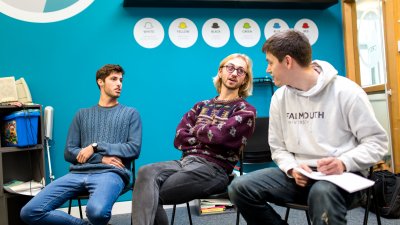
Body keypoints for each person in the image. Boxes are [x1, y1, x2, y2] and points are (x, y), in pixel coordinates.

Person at [228, 30, 388, 225]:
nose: (268, 69)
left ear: (287, 61)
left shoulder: (347, 92)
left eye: (270, 62)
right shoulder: (279, 98)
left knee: (322, 192)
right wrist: (292, 168)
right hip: (300, 175)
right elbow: (278, 147)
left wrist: (343, 162)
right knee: (239, 187)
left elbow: (377, 143)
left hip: (343, 177)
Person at [131, 53, 257, 225]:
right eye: (230, 68)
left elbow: (221, 137)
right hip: (186, 161)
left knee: (148, 194)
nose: (234, 73)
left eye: (240, 71)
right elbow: (179, 137)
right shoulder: (201, 106)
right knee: (145, 171)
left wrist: (198, 130)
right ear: (221, 72)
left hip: (215, 169)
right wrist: (209, 134)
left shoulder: (246, 111)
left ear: (244, 79)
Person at [20, 64, 142, 225]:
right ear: (100, 82)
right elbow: (69, 152)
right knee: (29, 212)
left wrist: (96, 146)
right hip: (77, 174)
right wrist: (100, 159)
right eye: (113, 79)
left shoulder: (130, 114)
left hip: (112, 173)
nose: (119, 84)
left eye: (121, 80)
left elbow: (133, 149)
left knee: (97, 213)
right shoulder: (82, 114)